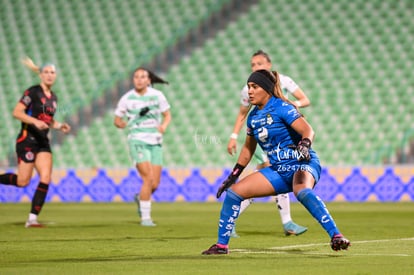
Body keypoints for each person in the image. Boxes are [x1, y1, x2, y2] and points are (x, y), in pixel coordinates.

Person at [202, 69, 350, 254]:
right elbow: (248, 149)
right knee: (234, 194)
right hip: (279, 170)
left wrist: (304, 146)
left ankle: (336, 235)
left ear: (266, 88)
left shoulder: (282, 107)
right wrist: (234, 175)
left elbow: (308, 130)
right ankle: (222, 246)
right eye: (248, 87)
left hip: (302, 163)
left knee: (301, 191)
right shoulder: (253, 117)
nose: (249, 91)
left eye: (254, 86)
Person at [227, 50, 310, 237]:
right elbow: (242, 114)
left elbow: (305, 100)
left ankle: (234, 216)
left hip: (281, 137)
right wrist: (233, 136)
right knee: (275, 174)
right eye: (253, 65)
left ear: (269, 64)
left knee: (275, 176)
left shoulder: (285, 81)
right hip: (263, 137)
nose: (256, 68)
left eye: (259, 64)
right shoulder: (249, 88)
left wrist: (291, 105)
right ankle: (287, 222)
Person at [0, 57, 71, 228]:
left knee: (46, 177)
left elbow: (48, 120)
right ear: (40, 74)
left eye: (52, 72)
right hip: (28, 140)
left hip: (43, 142)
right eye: (46, 72)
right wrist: (33, 121)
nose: (49, 75)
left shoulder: (54, 98)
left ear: (56, 75)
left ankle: (32, 219)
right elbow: (17, 112)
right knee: (23, 181)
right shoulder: (32, 92)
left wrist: (59, 125)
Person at [114, 67, 171, 227]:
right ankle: (146, 218)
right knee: (148, 178)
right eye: (136, 77)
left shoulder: (157, 95)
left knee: (155, 184)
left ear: (148, 80)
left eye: (143, 77)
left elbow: (167, 115)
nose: (139, 79)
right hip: (137, 140)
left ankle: (141, 198)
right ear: (133, 80)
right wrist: (121, 123)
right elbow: (117, 120)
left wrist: (164, 126)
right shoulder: (127, 98)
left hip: (156, 141)